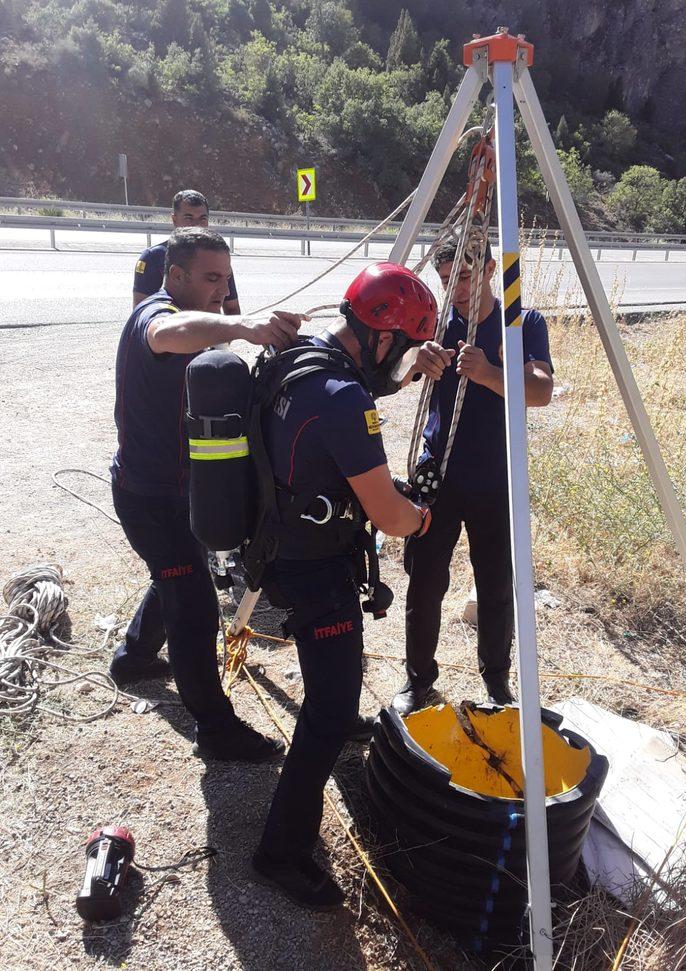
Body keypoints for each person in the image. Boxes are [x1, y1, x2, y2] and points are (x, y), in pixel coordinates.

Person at [250, 262, 438, 909]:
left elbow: (329, 435)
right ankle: (279, 852)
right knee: (330, 708)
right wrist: (419, 516)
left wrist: (409, 376)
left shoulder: (303, 358)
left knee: (333, 691)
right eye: (404, 349)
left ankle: (331, 725)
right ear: (382, 337)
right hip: (315, 568)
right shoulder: (343, 398)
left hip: (279, 541)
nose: (403, 362)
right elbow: (389, 516)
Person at [110, 226, 303, 762]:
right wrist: (244, 325)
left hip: (175, 492)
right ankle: (216, 730)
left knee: (178, 573)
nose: (222, 289)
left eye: (227, 278)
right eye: (211, 278)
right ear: (175, 276)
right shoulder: (156, 316)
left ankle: (133, 658)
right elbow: (169, 333)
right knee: (193, 605)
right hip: (151, 499)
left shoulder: (193, 318)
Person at [391, 239, 554, 716]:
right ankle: (418, 680)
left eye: (462, 277)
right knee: (425, 582)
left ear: (488, 268)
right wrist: (414, 362)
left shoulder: (521, 322)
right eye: (445, 281)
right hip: (438, 476)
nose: (455, 290)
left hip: (495, 479)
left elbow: (541, 391)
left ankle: (497, 682)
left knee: (495, 585)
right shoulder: (434, 321)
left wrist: (488, 372)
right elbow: (391, 373)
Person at [132, 189, 241, 314]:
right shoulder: (153, 258)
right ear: (174, 219)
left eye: (202, 218)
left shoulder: (216, 258)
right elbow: (142, 311)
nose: (197, 225)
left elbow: (232, 308)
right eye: (189, 218)